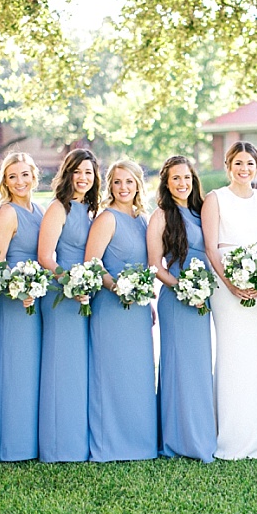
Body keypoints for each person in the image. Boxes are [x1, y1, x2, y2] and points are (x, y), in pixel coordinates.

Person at [202, 141, 257, 460]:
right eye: (238, 163)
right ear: (228, 165)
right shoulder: (215, 199)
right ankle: (230, 436)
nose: (244, 169)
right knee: (232, 356)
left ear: (256, 166)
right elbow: (210, 247)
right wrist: (231, 284)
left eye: (249, 163)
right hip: (225, 286)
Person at [84, 159, 157, 462]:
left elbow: (148, 266)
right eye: (117, 182)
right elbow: (93, 263)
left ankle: (140, 441)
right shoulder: (107, 218)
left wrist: (147, 300)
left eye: (129, 182)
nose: (123, 188)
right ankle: (110, 443)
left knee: (138, 374)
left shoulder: (143, 219)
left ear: (138, 184)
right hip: (111, 308)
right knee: (112, 374)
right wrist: (118, 288)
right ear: (110, 185)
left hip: (138, 309)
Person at [147, 156, 217, 463]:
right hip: (177, 301)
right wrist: (184, 289)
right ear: (166, 182)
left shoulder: (202, 212)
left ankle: (201, 435)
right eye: (175, 178)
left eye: (186, 177)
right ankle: (178, 440)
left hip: (202, 301)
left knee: (199, 370)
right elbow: (154, 265)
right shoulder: (162, 216)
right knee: (179, 370)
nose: (182, 183)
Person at [37, 148, 100, 463]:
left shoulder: (89, 210)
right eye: (78, 171)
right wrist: (71, 283)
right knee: (63, 366)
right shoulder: (58, 208)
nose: (83, 178)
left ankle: (78, 439)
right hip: (61, 295)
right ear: (68, 173)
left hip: (84, 294)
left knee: (79, 369)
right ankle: (59, 445)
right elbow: (46, 257)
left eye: (89, 172)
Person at [0, 152, 45, 462]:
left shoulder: (39, 210)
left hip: (36, 298)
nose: (20, 181)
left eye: (25, 174)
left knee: (32, 370)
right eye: (13, 176)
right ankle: (14, 445)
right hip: (15, 300)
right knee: (17, 370)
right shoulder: (7, 213)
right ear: (5, 182)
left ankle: (31, 440)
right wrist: (18, 290)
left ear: (34, 176)